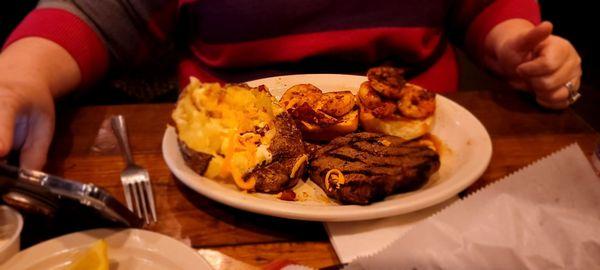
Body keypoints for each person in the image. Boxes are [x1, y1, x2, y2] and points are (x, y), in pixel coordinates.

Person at [0, 0, 582, 170]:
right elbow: (106, 10)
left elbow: (480, 6)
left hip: (433, 163)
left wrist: (515, 44)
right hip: (235, 162)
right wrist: (19, 76)